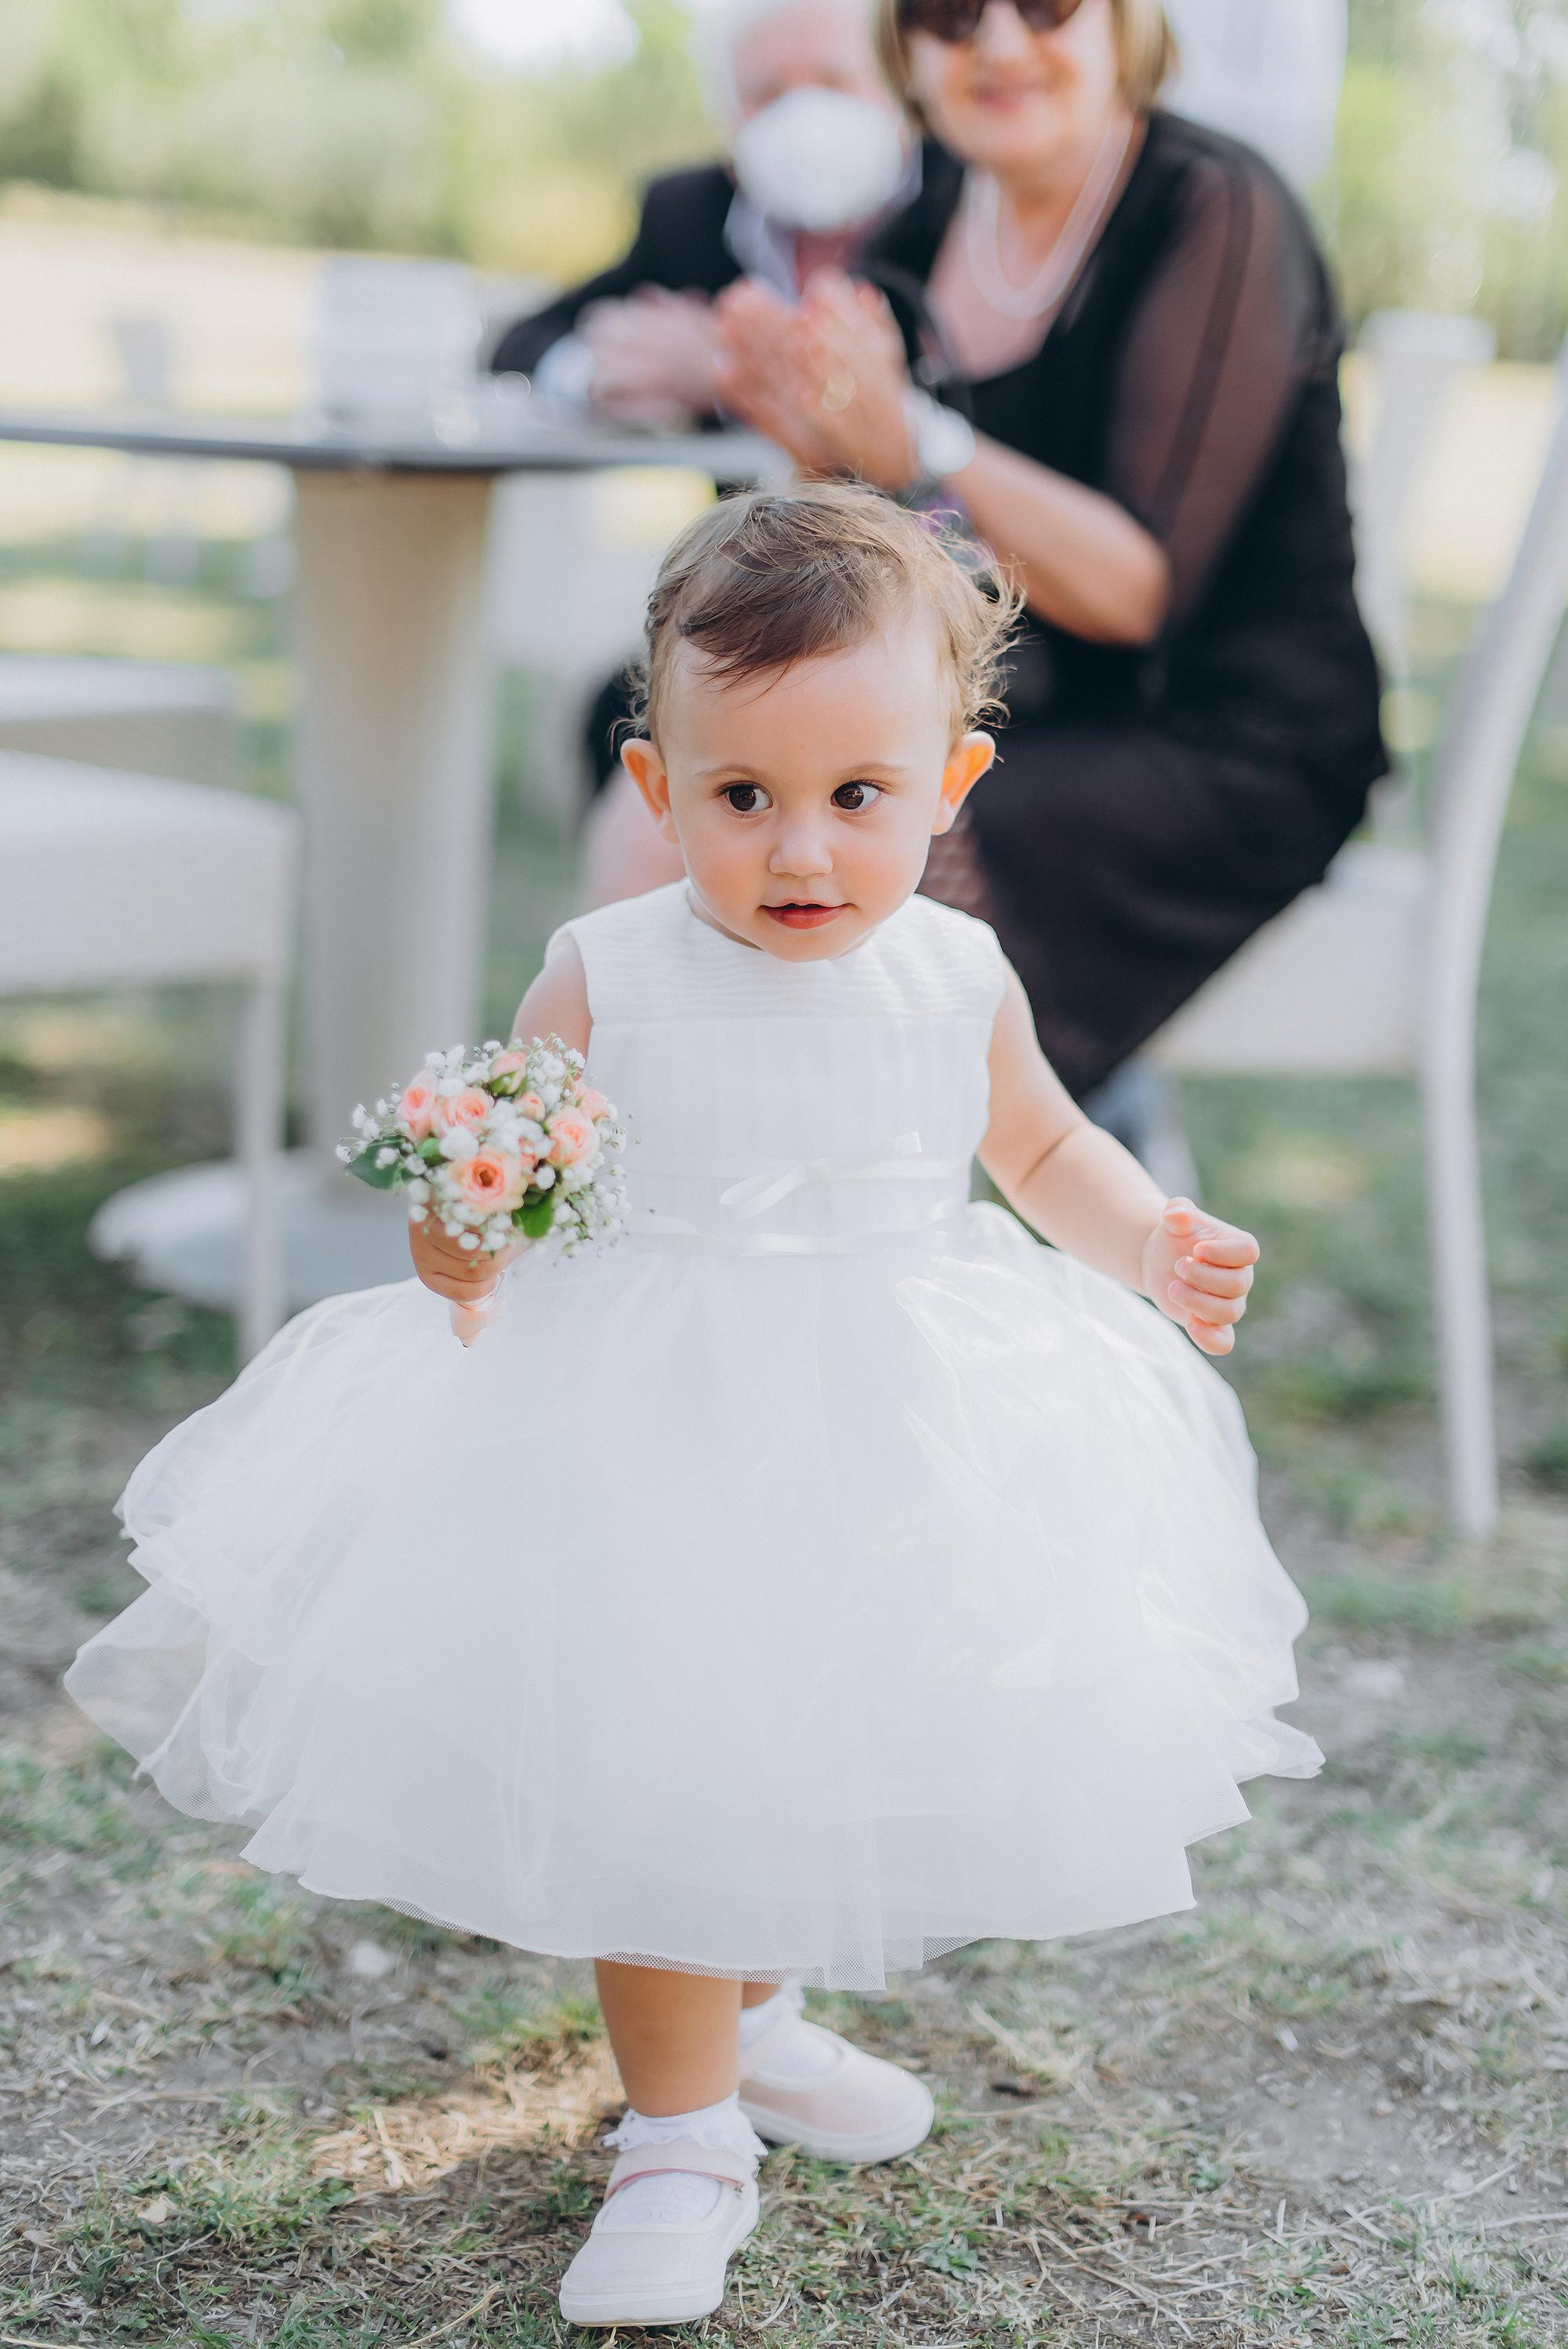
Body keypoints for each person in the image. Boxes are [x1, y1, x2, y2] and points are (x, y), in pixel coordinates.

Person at [67, 488, 1319, 2330]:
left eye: (854, 796)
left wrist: (1145, 1240)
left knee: (817, 1737)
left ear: (951, 778)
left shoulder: (954, 973)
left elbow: (1040, 1145)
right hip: (649, 1425)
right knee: (660, 1745)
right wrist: (459, 1231)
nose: (798, 847)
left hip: (884, 1413)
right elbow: (498, 1168)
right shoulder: (609, 971)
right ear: (657, 790)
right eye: (742, 797)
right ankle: (677, 2135)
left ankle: (761, 2021)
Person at [602, 0, 1388, 1118]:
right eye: (949, 11)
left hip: (1224, 740)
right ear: (906, 48)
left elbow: (1137, 592)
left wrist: (919, 442)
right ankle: (714, 1179)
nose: (1001, 44)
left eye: (1049, 6)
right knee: (682, 728)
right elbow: (886, 538)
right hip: (1022, 694)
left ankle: (908, 1167)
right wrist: (812, 432)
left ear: (1125, 23)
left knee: (852, 820)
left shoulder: (1212, 204)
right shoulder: (920, 225)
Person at [488, 0, 916, 428]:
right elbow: (523, 342)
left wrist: (727, 373)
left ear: (900, 87)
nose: (804, 114)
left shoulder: (961, 200)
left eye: (835, 81)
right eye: (767, 94)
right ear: (730, 123)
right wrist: (597, 375)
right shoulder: (687, 212)